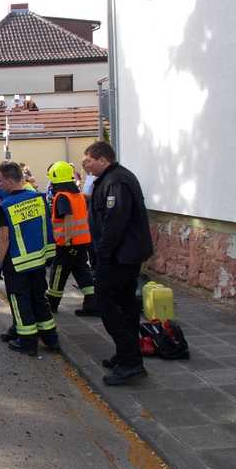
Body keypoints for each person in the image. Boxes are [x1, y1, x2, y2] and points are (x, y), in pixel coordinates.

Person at [84, 141, 154, 386]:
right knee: (125, 304)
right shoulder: (111, 178)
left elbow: (115, 222)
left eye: (89, 160)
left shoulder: (117, 181)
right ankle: (126, 355)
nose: (86, 164)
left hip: (120, 256)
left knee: (107, 304)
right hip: (119, 255)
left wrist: (103, 254)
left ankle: (130, 362)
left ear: (103, 159)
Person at [0, 161, 59, 356]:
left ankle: (27, 341)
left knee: (19, 300)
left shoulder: (6, 206)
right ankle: (51, 339)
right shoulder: (39, 199)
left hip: (17, 262)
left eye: (0, 180)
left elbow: (4, 238)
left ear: (7, 180)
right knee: (39, 299)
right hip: (39, 259)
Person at [44, 161, 99, 317]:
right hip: (82, 241)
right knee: (82, 271)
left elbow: (68, 218)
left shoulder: (62, 197)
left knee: (58, 272)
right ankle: (92, 302)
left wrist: (67, 241)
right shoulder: (77, 195)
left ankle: (51, 303)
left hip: (68, 243)